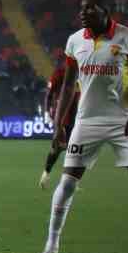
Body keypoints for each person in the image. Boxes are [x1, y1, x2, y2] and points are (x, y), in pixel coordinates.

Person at [38, 0, 128, 253]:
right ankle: (51, 245)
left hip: (125, 121)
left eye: (89, 8)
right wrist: (60, 124)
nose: (83, 13)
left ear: (105, 11)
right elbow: (68, 85)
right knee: (67, 184)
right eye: (81, 8)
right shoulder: (75, 41)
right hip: (87, 122)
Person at [39, 50, 79, 189]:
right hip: (62, 117)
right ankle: (46, 173)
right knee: (58, 147)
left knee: (74, 149)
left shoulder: (83, 73)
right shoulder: (60, 73)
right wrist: (47, 112)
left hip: (77, 117)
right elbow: (49, 94)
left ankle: (70, 180)